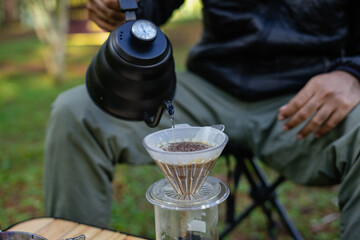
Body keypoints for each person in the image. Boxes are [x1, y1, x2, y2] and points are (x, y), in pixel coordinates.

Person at [44, 0, 360, 239]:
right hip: (210, 87)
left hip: (307, 98)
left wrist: (353, 73)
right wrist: (126, 6)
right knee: (76, 111)